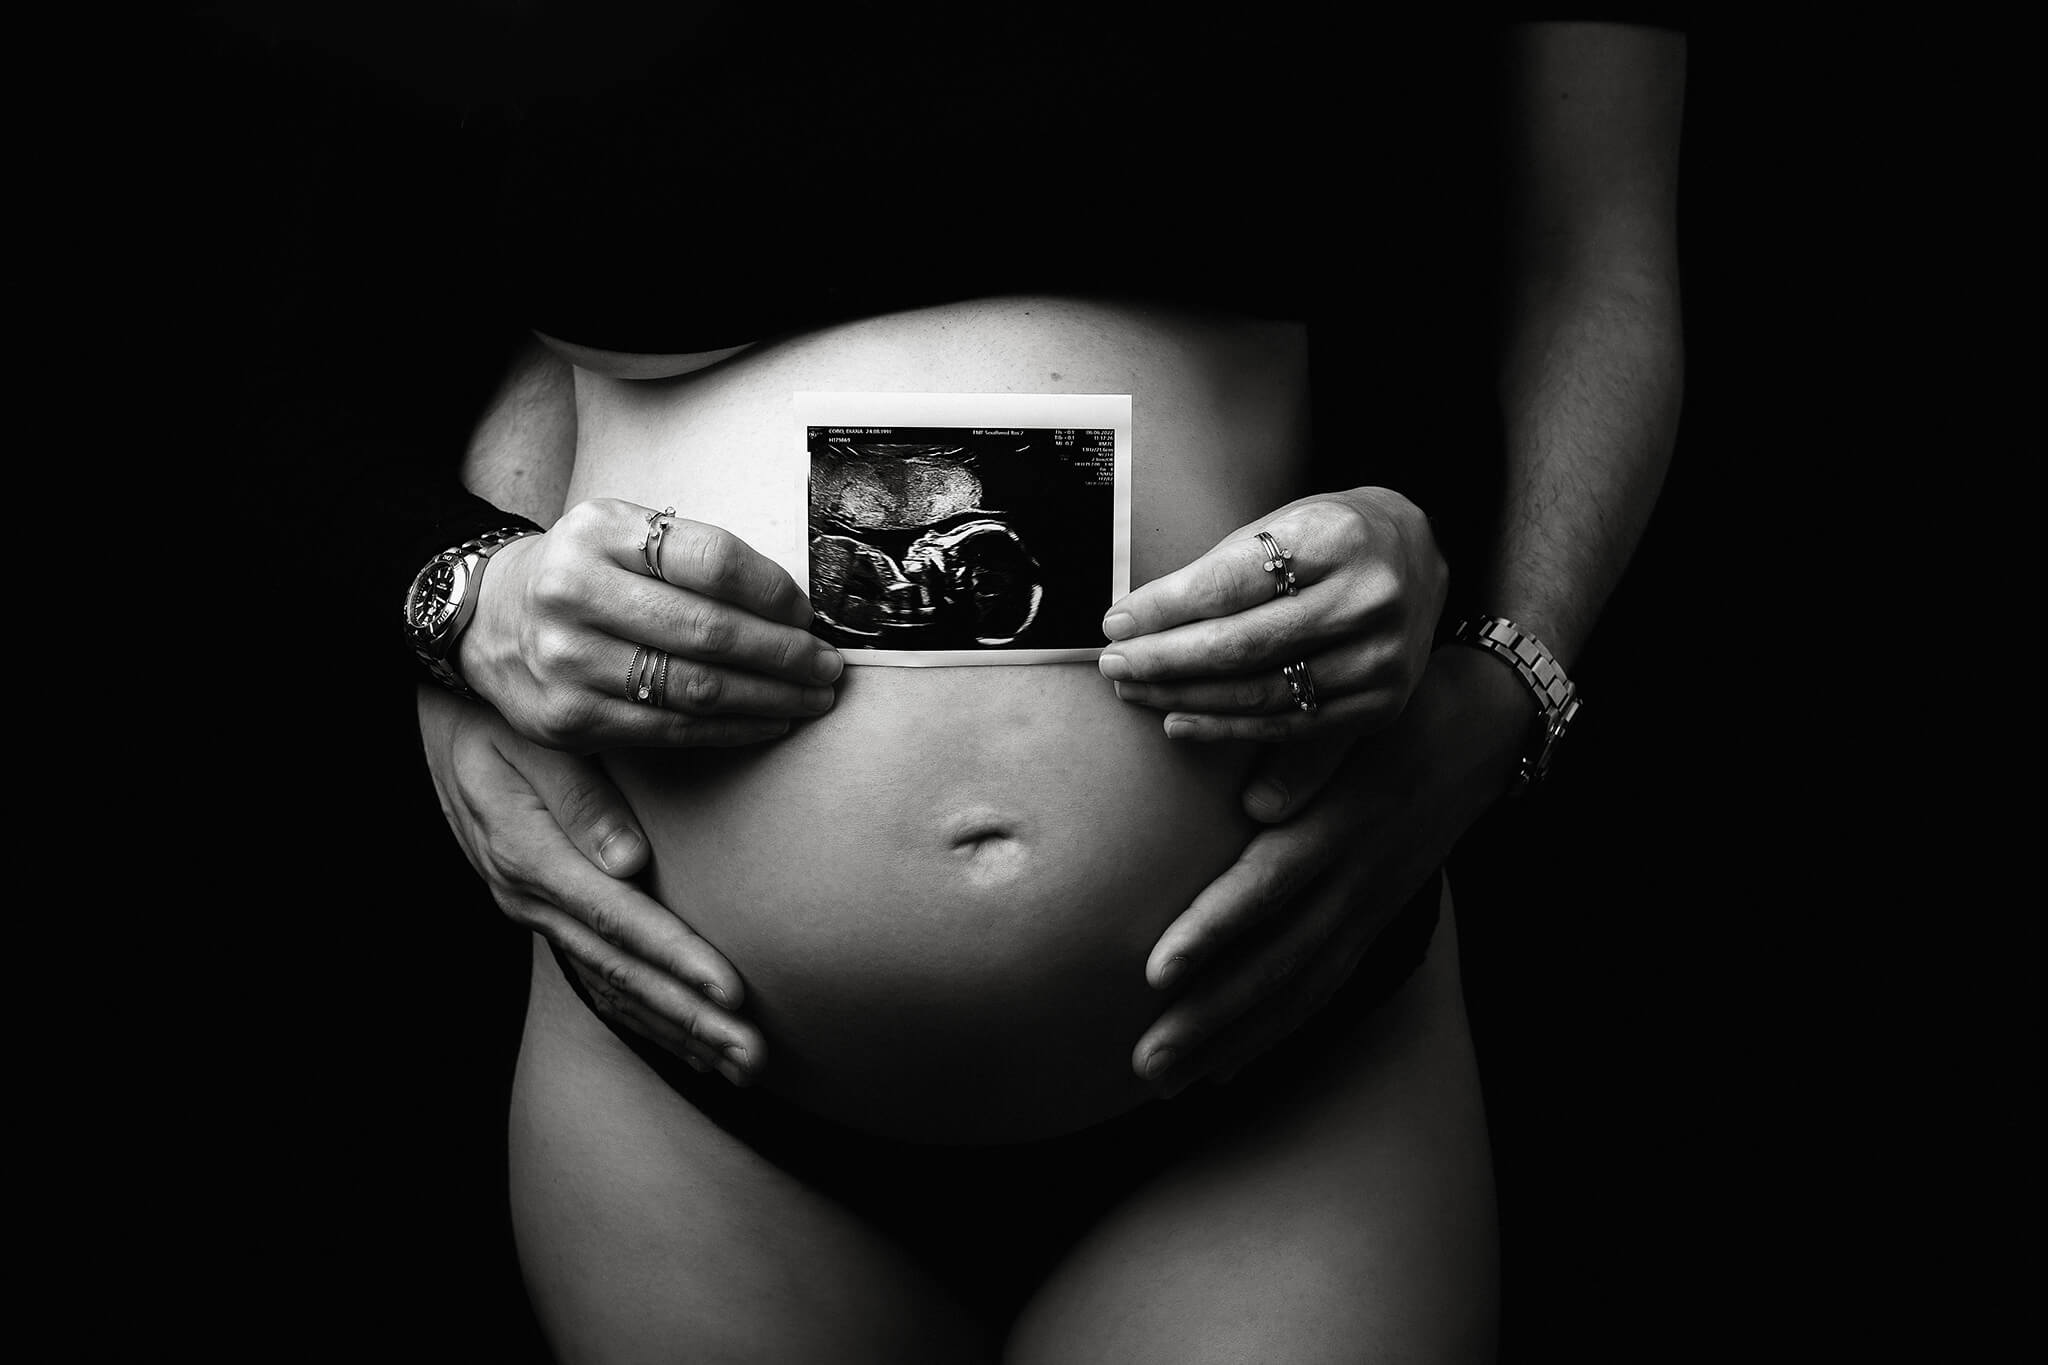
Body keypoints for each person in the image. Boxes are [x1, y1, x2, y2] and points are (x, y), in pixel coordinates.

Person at [254, 8, 1684, 1359]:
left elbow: (1591, 260)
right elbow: (312, 331)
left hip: (1289, 1046)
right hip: (689, 1082)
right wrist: (459, 604)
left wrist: (1507, 680)